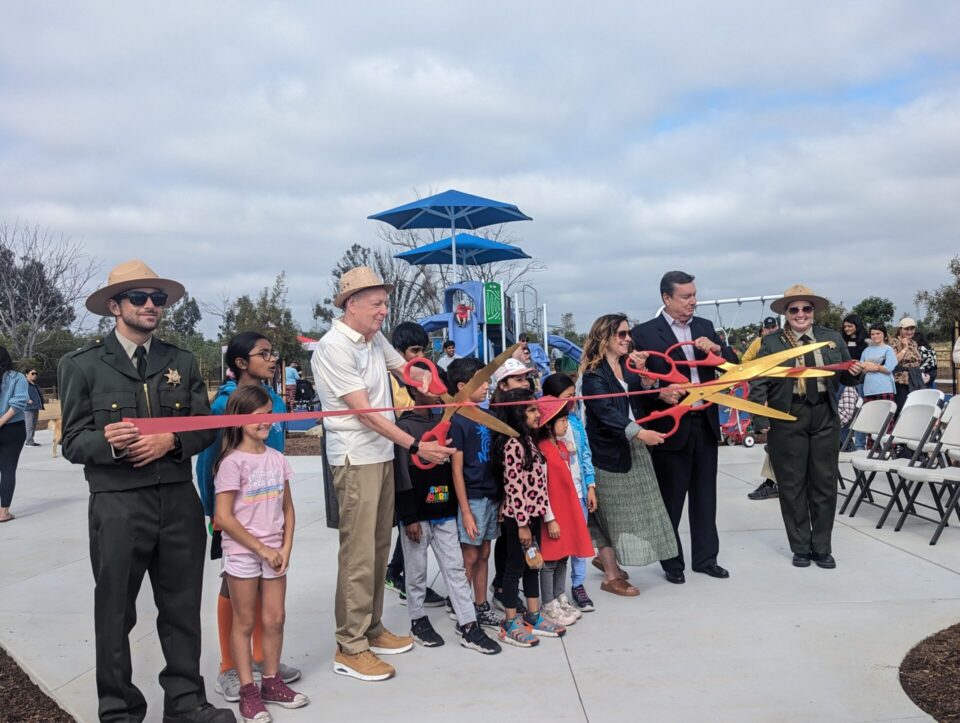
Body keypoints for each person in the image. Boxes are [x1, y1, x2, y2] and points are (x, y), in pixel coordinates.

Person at [57, 260, 231, 722]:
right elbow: (72, 441)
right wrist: (109, 445)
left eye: (158, 298)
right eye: (139, 298)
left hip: (177, 499)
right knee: (115, 611)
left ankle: (186, 702)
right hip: (118, 504)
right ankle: (118, 709)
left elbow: (205, 427)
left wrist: (172, 440)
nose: (151, 305)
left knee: (181, 607)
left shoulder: (182, 361)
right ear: (115, 306)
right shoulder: (82, 364)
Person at [311, 266, 453, 682]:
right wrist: (414, 444)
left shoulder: (374, 340)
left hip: (381, 455)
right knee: (357, 554)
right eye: (376, 304)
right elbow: (366, 413)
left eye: (385, 303)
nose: (383, 311)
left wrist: (449, 393)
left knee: (375, 549)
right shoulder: (334, 348)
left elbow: (410, 373)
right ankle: (349, 645)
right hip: (356, 458)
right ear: (351, 305)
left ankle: (371, 629)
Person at [195, 332, 299, 704]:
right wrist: (215, 516)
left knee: (266, 597)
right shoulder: (226, 405)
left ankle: (261, 659)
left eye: (273, 353)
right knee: (233, 587)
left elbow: (277, 452)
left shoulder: (272, 401)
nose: (272, 359)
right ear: (241, 363)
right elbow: (209, 461)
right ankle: (229, 666)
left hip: (269, 507)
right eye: (264, 354)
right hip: (234, 518)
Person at [631, 271, 737, 584]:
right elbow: (633, 379)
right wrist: (656, 390)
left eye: (694, 295)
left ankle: (706, 558)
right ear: (666, 298)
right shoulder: (645, 333)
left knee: (705, 496)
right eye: (686, 296)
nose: (693, 302)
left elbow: (731, 365)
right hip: (669, 425)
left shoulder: (704, 327)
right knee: (671, 498)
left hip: (704, 423)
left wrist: (716, 351)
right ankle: (671, 562)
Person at [748, 284, 863, 569]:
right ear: (786, 313)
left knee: (824, 483)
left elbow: (845, 378)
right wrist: (760, 421)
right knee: (792, 484)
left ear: (814, 311)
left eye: (806, 308)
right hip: (788, 415)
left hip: (824, 413)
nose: (801, 314)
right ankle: (800, 547)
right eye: (794, 309)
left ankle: (822, 547)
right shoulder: (773, 342)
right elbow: (758, 382)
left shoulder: (831, 338)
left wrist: (854, 374)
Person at [213, 385, 308, 722]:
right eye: (257, 417)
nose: (265, 422)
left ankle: (271, 681)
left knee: (275, 619)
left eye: (269, 415)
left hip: (274, 552)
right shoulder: (231, 463)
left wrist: (285, 548)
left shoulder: (277, 459)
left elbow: (289, 509)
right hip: (244, 553)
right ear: (239, 420)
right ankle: (248, 691)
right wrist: (262, 549)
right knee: (245, 621)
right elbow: (223, 517)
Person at [392, 367, 501, 654]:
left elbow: (455, 468)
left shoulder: (448, 419)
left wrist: (457, 508)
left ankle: (468, 625)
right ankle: (417, 619)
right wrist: (409, 516)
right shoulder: (404, 427)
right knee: (415, 572)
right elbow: (401, 473)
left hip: (444, 511)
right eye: (428, 384)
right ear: (414, 388)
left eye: (438, 383)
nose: (435, 389)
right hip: (417, 513)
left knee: (454, 567)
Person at [581, 313, 676, 595]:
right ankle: (611, 575)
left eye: (628, 334)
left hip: (633, 446)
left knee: (644, 509)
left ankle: (606, 560)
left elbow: (637, 397)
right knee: (609, 514)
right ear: (605, 337)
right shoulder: (593, 376)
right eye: (621, 334)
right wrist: (638, 432)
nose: (628, 339)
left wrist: (654, 387)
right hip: (609, 452)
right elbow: (606, 413)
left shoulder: (627, 367)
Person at [492, 388, 565, 647]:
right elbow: (514, 488)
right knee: (514, 567)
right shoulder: (513, 445)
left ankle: (533, 615)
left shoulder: (530, 441)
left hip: (533, 515)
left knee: (533, 564)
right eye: (532, 409)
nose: (538, 413)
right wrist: (522, 524)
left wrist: (544, 517)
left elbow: (539, 486)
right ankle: (510, 620)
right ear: (518, 413)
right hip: (517, 518)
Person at [383, 322, 444, 608]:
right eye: (413, 350)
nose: (419, 357)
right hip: (400, 456)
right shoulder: (390, 382)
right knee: (410, 519)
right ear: (396, 352)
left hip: (424, 457)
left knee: (417, 518)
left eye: (424, 350)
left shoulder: (424, 380)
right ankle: (403, 577)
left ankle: (396, 572)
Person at [448, 357, 503, 631]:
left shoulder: (489, 417)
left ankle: (481, 606)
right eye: (481, 382)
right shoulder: (458, 421)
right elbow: (456, 471)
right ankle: (463, 612)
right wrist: (466, 512)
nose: (487, 386)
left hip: (491, 496)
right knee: (468, 556)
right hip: (472, 498)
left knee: (484, 553)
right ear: (462, 386)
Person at [541, 373, 597, 612]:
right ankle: (554, 595)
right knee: (559, 548)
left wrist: (591, 485)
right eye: (567, 396)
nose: (572, 400)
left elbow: (585, 454)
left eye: (573, 396)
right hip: (557, 497)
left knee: (579, 540)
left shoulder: (573, 422)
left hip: (579, 491)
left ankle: (578, 585)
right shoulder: (543, 437)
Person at [489, 357, 537, 611]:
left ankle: (507, 589)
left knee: (520, 551)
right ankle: (501, 590)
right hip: (505, 492)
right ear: (503, 385)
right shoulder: (495, 416)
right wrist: (504, 498)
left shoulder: (527, 410)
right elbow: (503, 465)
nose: (526, 383)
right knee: (508, 547)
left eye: (526, 377)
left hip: (526, 497)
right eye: (519, 379)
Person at [745, 317, 784, 501]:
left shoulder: (787, 342)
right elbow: (745, 363)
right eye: (767, 327)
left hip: (791, 400)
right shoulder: (759, 344)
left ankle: (772, 483)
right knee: (775, 443)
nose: (770, 329)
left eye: (773, 326)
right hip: (771, 395)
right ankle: (771, 483)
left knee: (777, 443)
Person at [0, 346, 28, 523]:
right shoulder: (17, 378)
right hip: (13, 428)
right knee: (8, 470)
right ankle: (3, 512)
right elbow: (18, 403)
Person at [860, 324, 897, 404]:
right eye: (872, 334)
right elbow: (862, 368)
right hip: (868, 389)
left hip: (884, 388)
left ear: (884, 335)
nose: (875, 336)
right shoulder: (866, 350)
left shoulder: (888, 349)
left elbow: (888, 368)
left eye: (878, 333)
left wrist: (873, 367)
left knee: (886, 415)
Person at [891, 317, 922, 413]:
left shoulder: (914, 343)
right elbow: (894, 361)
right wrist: (904, 347)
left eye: (912, 329)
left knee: (914, 408)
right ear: (900, 329)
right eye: (906, 329)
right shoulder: (894, 342)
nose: (909, 332)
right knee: (902, 407)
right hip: (901, 380)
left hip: (915, 379)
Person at [23, 368, 44, 447]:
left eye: (36, 373)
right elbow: (18, 393)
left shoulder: (34, 383)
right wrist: (27, 400)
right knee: (29, 425)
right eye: (32, 373)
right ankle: (29, 442)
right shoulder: (24, 383)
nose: (35, 375)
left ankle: (31, 440)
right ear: (27, 374)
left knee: (34, 424)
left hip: (35, 407)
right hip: (28, 408)